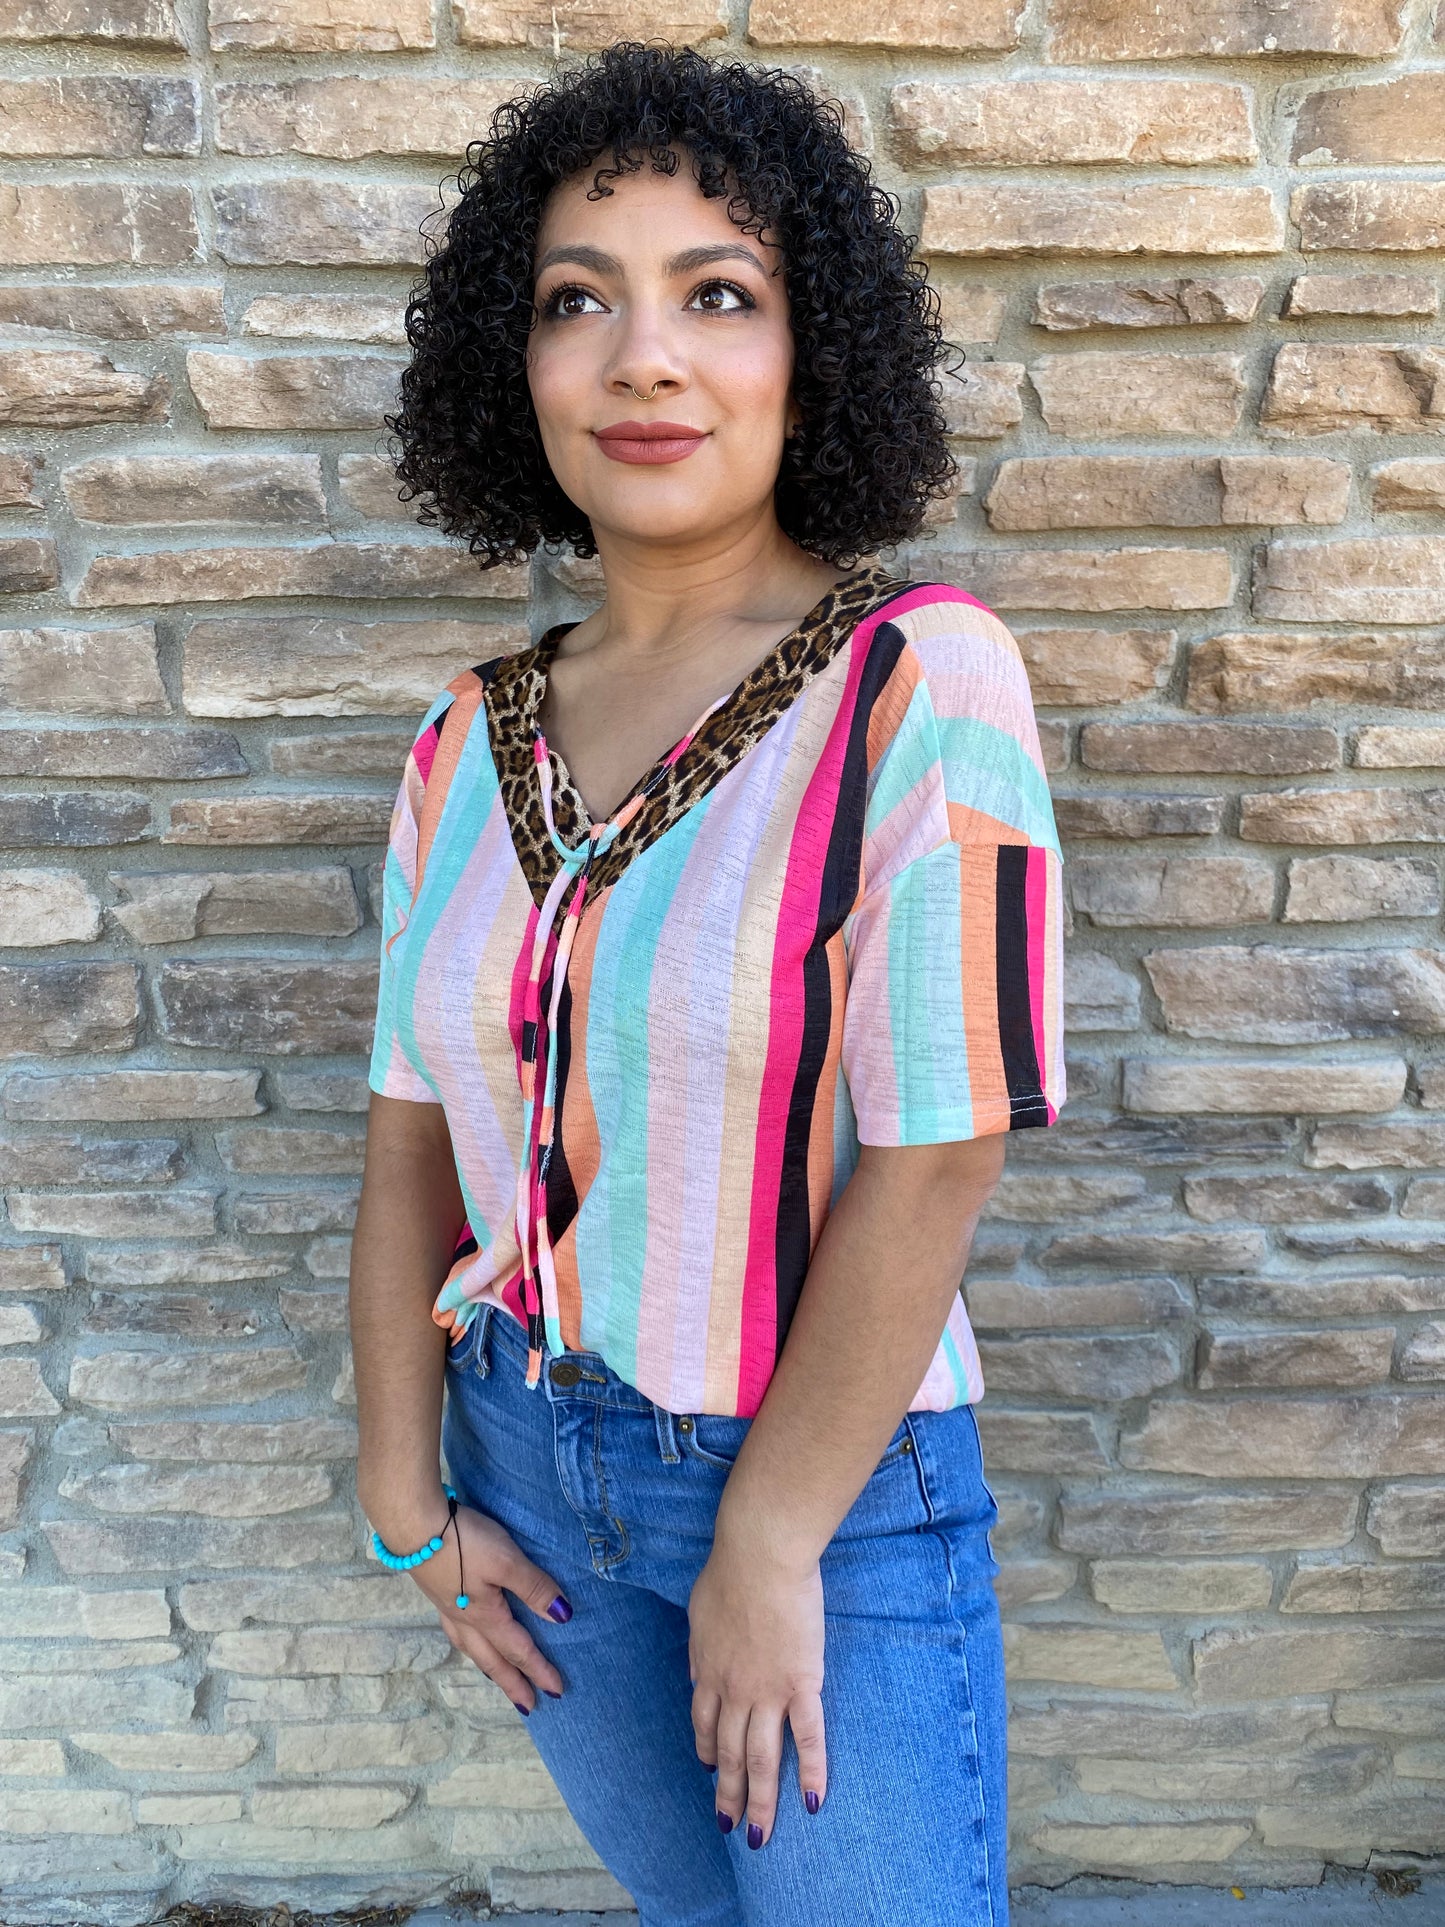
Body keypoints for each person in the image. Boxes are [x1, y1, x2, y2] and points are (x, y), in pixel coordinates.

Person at [350, 41, 1064, 1927]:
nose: (640, 358)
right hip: (523, 1455)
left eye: (716, 296)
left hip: (819, 1489)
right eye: (577, 301)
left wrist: (767, 1536)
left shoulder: (919, 679)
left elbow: (940, 1148)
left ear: (806, 354)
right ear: (515, 371)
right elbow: (410, 1141)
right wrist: (405, 1501)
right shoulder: (462, 738)